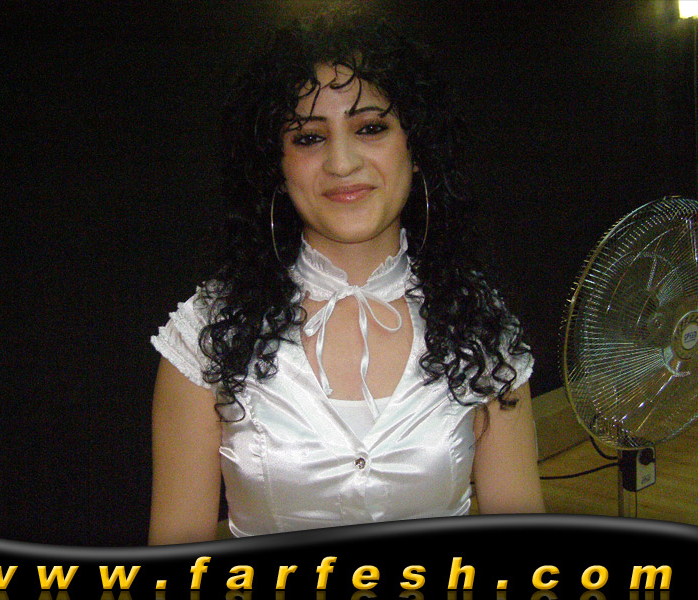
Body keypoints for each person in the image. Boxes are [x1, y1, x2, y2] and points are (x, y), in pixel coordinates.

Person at [148, 11, 544, 544]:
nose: (341, 162)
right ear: (276, 165)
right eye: (309, 137)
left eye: (371, 128)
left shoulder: (480, 326)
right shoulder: (207, 333)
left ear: (417, 147)